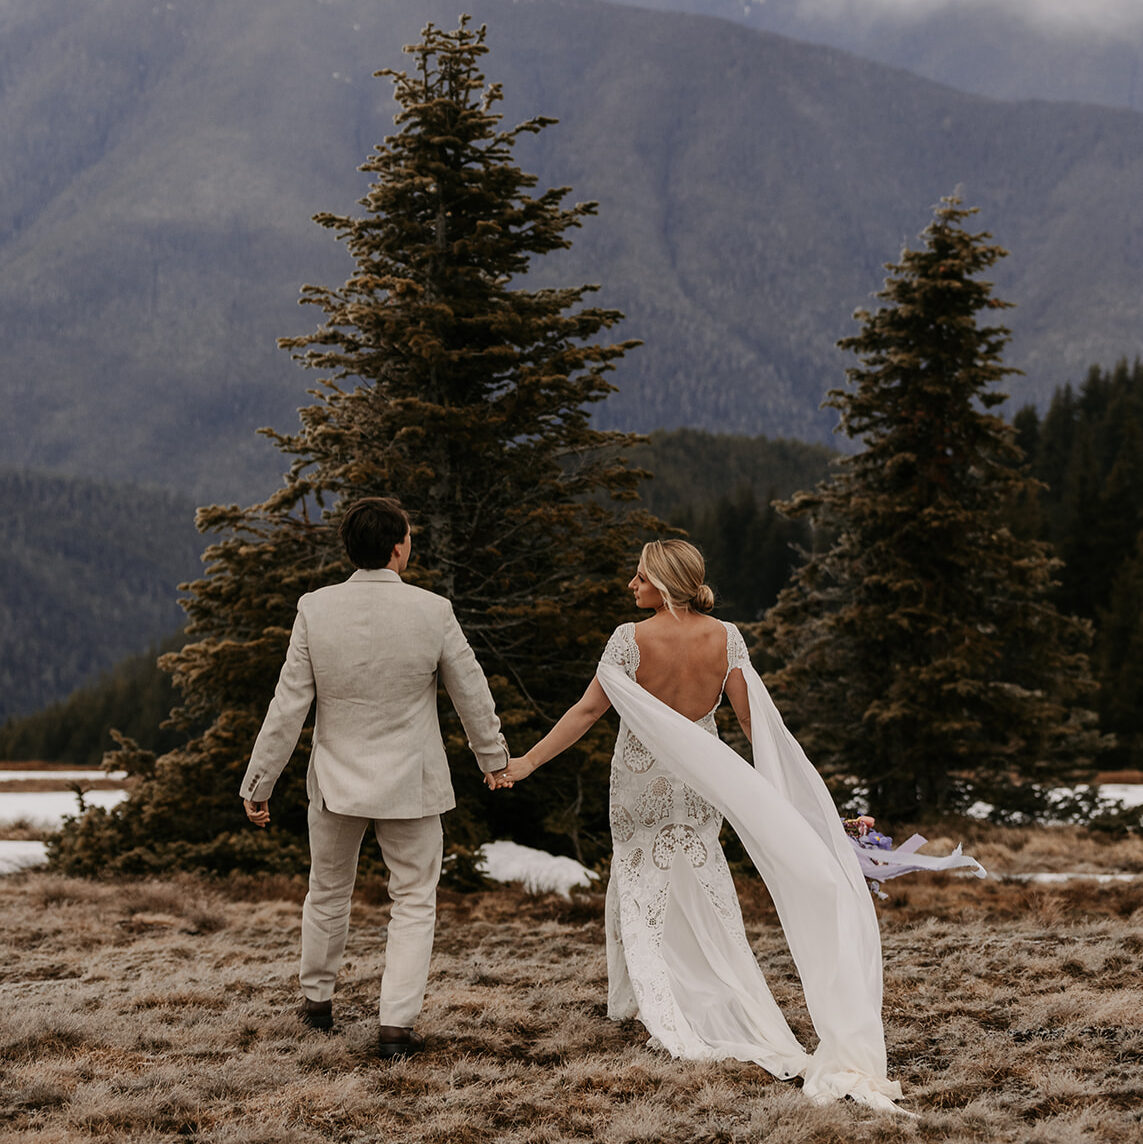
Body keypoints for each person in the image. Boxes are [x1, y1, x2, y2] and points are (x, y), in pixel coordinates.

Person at [495, 539, 908, 1110]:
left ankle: (656, 1001)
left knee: (640, 880)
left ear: (661, 582)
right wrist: (798, 804)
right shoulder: (726, 638)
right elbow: (751, 723)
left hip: (640, 780)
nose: (630, 585)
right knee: (699, 877)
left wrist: (526, 763)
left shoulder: (629, 640)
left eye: (638, 576)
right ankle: (646, 992)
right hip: (702, 781)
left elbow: (588, 711)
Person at [239, 496, 508, 1058]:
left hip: (336, 785)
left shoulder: (316, 608)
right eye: (408, 537)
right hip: (413, 785)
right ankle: (395, 1027)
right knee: (413, 901)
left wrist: (259, 782)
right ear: (396, 546)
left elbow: (287, 706)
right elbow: (472, 693)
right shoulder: (433, 610)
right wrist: (492, 759)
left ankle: (316, 1004)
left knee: (327, 893)